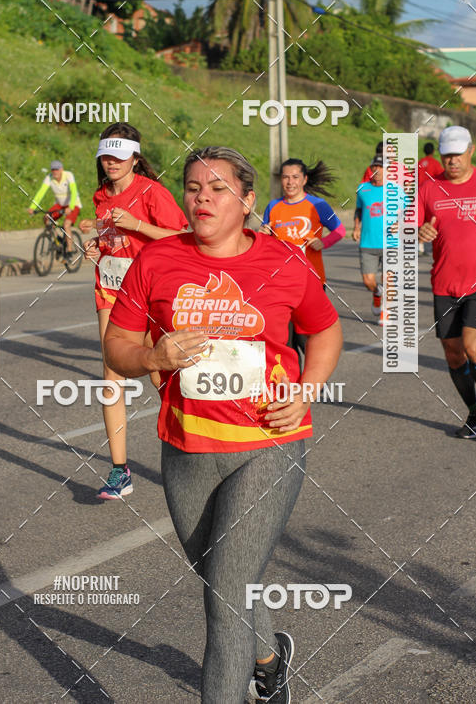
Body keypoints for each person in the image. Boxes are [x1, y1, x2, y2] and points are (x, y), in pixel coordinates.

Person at [104, 146, 343, 704]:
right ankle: (268, 657)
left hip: (269, 444)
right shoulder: (157, 261)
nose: (202, 197)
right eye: (192, 187)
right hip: (186, 448)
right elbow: (117, 346)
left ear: (247, 198)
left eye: (217, 188)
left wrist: (307, 391)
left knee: (225, 598)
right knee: (224, 583)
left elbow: (326, 330)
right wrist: (154, 357)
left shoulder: (284, 261)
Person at [80, 123, 188, 499]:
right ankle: (119, 471)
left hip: (149, 292)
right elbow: (114, 240)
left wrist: (138, 224)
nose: (112, 163)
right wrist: (96, 247)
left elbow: (181, 236)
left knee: (160, 372)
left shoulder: (152, 192)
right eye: (106, 156)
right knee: (112, 374)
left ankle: (190, 449)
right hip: (110, 291)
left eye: (119, 156)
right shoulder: (101, 197)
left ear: (135, 158)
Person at [418, 125, 476, 441]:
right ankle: (474, 413)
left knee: (474, 347)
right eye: (447, 155)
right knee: (454, 354)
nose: (452, 161)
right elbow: (406, 227)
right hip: (443, 283)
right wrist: (419, 231)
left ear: (471, 151)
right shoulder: (429, 188)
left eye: (458, 154)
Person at [260, 158, 346, 286]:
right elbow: (265, 243)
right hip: (281, 280)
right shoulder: (273, 206)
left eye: (295, 177)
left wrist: (323, 242)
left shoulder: (318, 205)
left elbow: (340, 230)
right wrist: (261, 236)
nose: (290, 182)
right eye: (285, 177)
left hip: (312, 279)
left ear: (304, 179)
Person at [352, 153, 398, 325]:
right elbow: (358, 210)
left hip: (391, 243)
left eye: (380, 167)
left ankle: (386, 313)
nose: (376, 170)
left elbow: (409, 211)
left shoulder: (396, 190)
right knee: (368, 281)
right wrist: (356, 227)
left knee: (389, 279)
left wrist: (400, 224)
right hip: (368, 242)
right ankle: (377, 293)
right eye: (374, 167)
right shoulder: (363, 189)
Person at [28, 160, 81, 257]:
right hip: (60, 204)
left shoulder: (68, 175)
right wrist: (32, 207)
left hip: (73, 204)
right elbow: (41, 193)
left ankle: (69, 249)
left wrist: (71, 206)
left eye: (57, 169)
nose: (55, 172)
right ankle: (58, 239)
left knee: (66, 225)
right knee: (46, 218)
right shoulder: (49, 177)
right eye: (53, 170)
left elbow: (74, 192)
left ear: (61, 169)